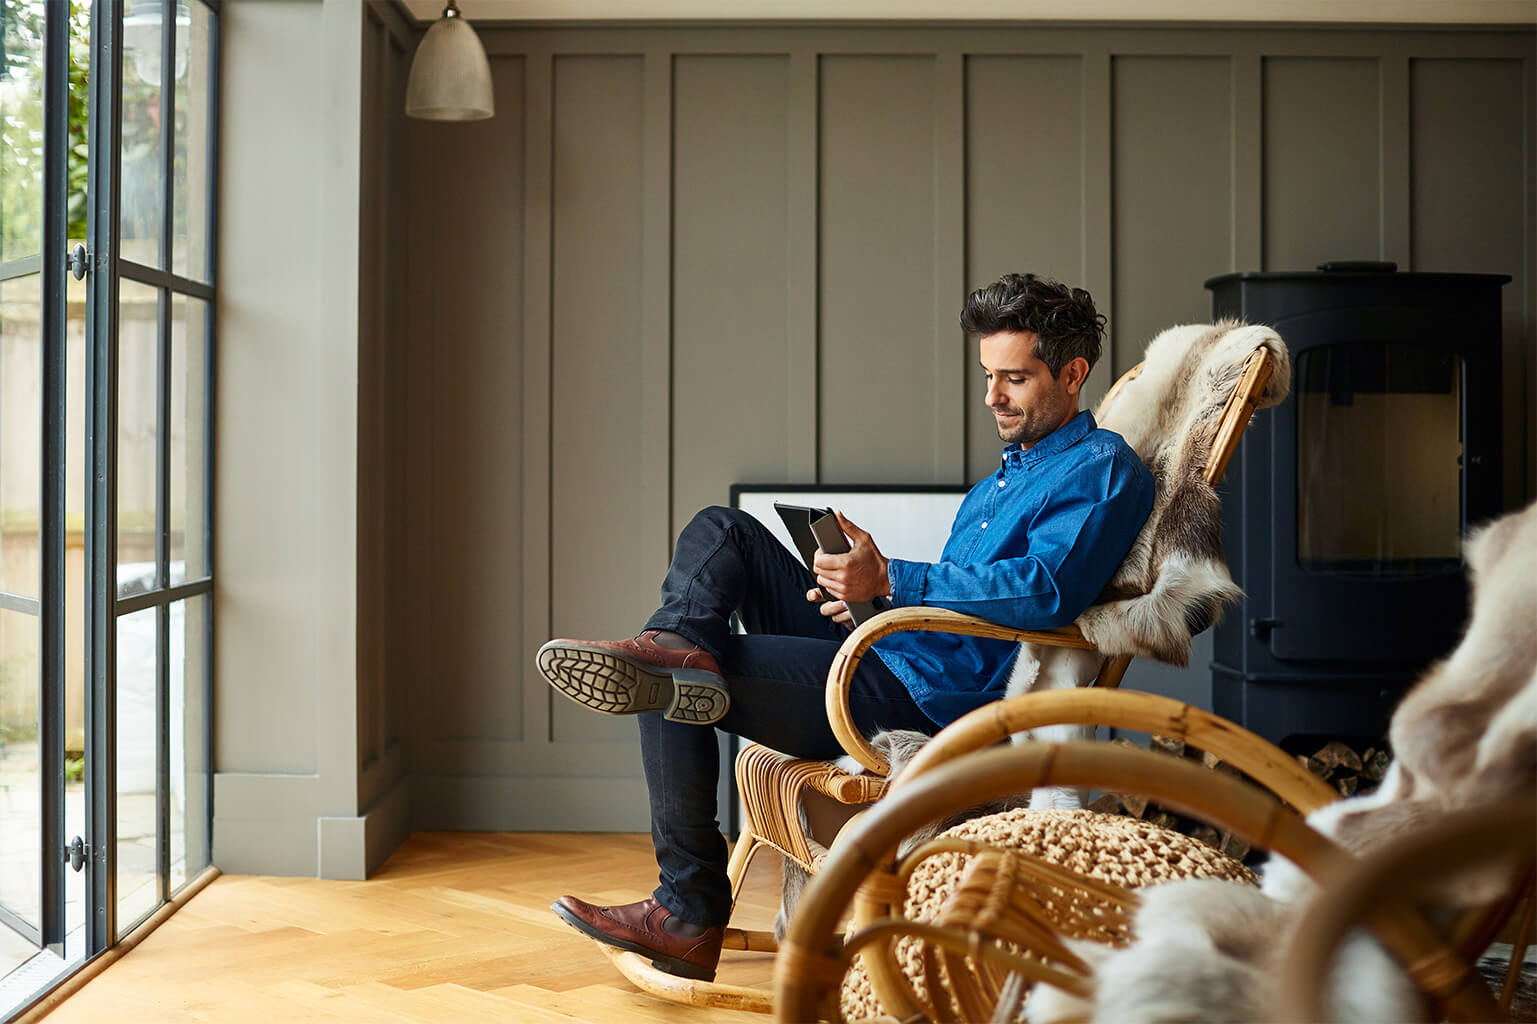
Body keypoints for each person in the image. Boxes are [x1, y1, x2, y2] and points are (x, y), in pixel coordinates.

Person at [535, 272, 1156, 982]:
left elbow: (1047, 591)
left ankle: (686, 913)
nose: (991, 397)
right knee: (722, 533)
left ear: (1072, 373)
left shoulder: (1104, 468)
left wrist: (890, 582)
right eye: (987, 375)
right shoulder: (999, 483)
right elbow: (965, 604)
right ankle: (682, 646)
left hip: (932, 702)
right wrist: (863, 597)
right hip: (891, 648)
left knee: (659, 681)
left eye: (1013, 378)